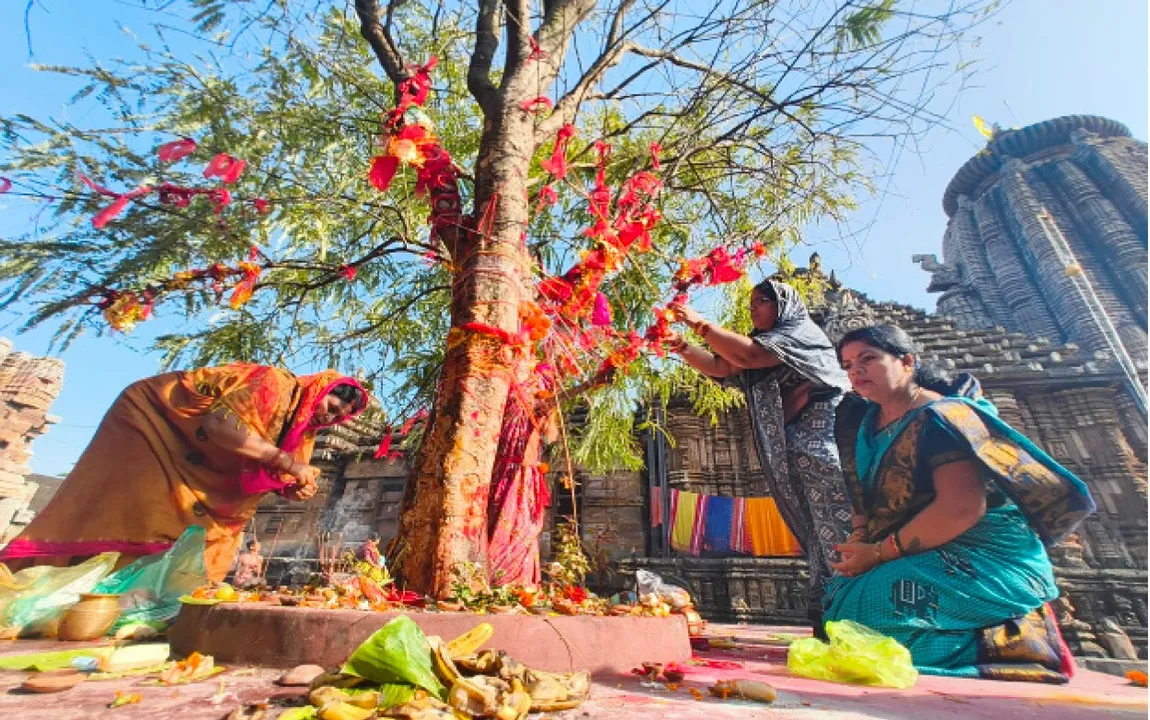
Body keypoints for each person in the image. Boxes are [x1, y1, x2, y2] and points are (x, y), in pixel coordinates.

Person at [827, 325, 1095, 683]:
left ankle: (1019, 642)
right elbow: (861, 493)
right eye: (847, 365)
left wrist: (876, 554)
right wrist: (860, 539)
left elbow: (963, 508)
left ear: (907, 362)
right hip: (917, 548)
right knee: (838, 604)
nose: (856, 371)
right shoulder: (865, 424)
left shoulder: (943, 417)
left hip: (985, 552)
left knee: (869, 611)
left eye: (868, 359)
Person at [0, 363, 368, 581]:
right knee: (145, 516)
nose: (331, 416)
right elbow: (221, 427)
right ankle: (83, 595)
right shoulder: (274, 385)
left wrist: (296, 488)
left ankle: (151, 606)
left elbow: (279, 475)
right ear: (320, 389)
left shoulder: (303, 431)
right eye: (331, 404)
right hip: (158, 423)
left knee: (205, 537)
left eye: (339, 416)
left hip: (202, 464)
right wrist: (287, 464)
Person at [667, 278, 854, 633]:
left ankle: (856, 610)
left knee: (836, 529)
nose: (753, 309)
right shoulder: (765, 347)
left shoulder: (800, 333)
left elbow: (747, 355)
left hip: (824, 451)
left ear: (783, 305)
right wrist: (680, 346)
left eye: (761, 301)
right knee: (816, 534)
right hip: (793, 456)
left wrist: (697, 322)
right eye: (751, 303)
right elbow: (723, 367)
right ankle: (830, 614)